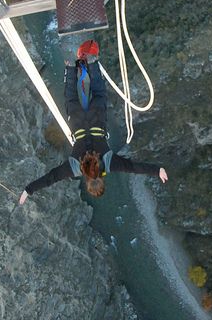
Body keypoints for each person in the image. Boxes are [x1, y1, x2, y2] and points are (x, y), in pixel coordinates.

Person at [19, 40, 168, 203]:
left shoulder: (109, 163)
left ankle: (92, 63)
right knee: (71, 97)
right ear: (87, 181)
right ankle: (69, 68)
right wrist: (28, 190)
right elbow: (52, 177)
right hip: (78, 122)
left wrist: (157, 170)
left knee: (99, 94)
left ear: (101, 180)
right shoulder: (75, 167)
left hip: (96, 118)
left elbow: (133, 167)